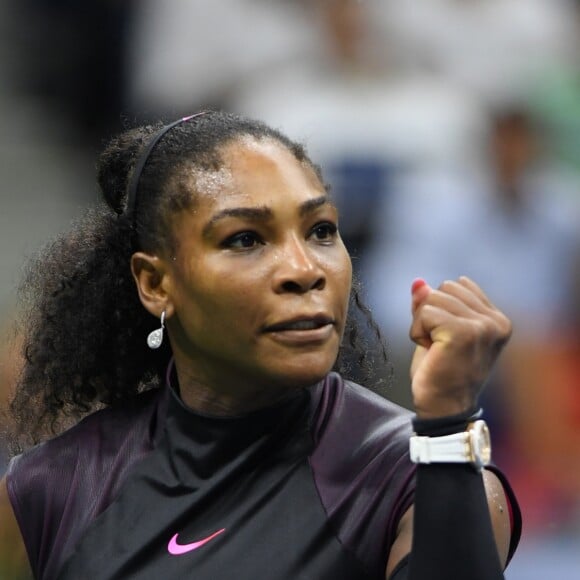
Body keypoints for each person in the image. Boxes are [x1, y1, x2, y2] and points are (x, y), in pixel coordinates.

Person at [0, 111, 521, 579]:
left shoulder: (418, 478)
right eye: (245, 239)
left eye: (320, 230)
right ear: (155, 283)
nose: (304, 270)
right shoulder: (48, 490)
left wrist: (449, 422)